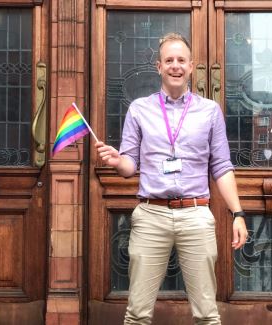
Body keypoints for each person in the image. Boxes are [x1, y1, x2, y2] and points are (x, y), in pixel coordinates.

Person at [95, 32, 248, 325]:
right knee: (137, 313)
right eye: (169, 60)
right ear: (158, 66)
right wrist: (117, 161)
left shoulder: (209, 111)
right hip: (151, 215)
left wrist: (238, 213)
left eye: (181, 60)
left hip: (196, 214)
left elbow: (222, 166)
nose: (175, 66)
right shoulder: (140, 109)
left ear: (191, 67)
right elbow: (129, 166)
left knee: (207, 314)